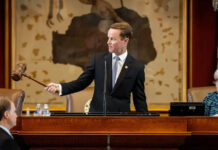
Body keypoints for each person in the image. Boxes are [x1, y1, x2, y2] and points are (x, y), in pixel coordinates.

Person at [46, 22, 148, 113]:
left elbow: (140, 101)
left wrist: (146, 127)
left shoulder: (136, 67)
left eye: (112, 39)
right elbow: (81, 83)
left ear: (125, 41)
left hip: (121, 122)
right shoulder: (98, 60)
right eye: (108, 38)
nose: (108, 42)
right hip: (96, 119)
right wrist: (59, 87)